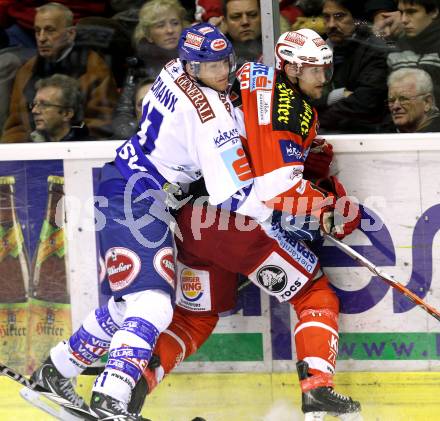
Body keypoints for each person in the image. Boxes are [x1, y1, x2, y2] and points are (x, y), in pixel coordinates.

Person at [29, 22, 269, 420]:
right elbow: (237, 194)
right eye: (211, 67)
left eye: (225, 62)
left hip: (133, 189)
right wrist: (288, 211)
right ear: (191, 68)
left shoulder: (173, 70)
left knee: (130, 306)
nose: (222, 72)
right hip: (136, 198)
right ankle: (111, 398)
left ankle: (58, 370)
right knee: (154, 306)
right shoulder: (209, 119)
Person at [128, 29, 363, 421]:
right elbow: (275, 187)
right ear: (288, 66)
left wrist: (307, 154)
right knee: (315, 295)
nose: (321, 78)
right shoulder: (292, 111)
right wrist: (326, 207)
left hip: (191, 218)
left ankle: (129, 389)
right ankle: (318, 391)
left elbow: (253, 135)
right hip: (235, 222)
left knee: (196, 317)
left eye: (325, 68)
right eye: (311, 70)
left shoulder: (251, 73)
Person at [1, 2, 118, 142]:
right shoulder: (26, 70)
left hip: (79, 149)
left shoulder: (94, 67)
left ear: (70, 34)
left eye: (50, 30)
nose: (42, 38)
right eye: (38, 31)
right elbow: (16, 126)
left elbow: (102, 124)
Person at [112, 0, 186, 139]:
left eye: (175, 23)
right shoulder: (139, 67)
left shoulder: (198, 60)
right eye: (160, 25)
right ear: (148, 35)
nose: (170, 30)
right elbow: (122, 119)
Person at [312, 0, 390, 133]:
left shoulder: (374, 49)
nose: (331, 24)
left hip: (364, 135)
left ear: (355, 19)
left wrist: (315, 120)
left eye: (339, 16)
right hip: (325, 131)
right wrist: (338, 95)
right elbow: (302, 99)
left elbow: (364, 102)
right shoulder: (315, 49)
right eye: (326, 17)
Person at [387, 0, 440, 104]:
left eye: (411, 12)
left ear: (434, 12)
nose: (403, 20)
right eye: (401, 13)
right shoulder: (396, 48)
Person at [29, 73, 92, 142]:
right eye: (34, 104)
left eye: (44, 105)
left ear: (67, 114)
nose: (34, 111)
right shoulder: (25, 146)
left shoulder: (89, 148)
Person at [387, 67, 440, 132]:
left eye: (404, 99)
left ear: (427, 102)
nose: (395, 106)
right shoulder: (382, 135)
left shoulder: (435, 137)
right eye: (391, 100)